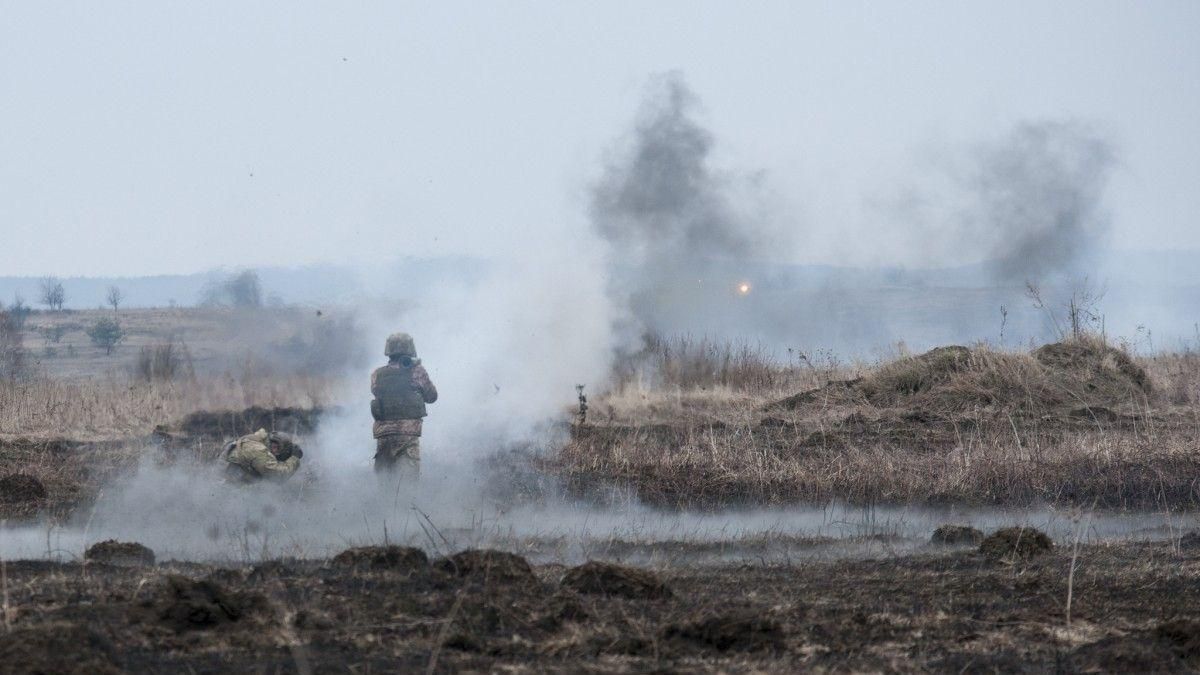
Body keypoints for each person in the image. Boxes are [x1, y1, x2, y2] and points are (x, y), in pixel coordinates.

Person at [371, 332, 438, 477]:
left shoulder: (377, 374)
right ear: (410, 348)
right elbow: (432, 397)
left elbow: (376, 392)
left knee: (384, 481)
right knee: (408, 484)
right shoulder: (417, 371)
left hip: (384, 434)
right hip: (407, 434)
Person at [222, 429, 303, 484]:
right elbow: (278, 476)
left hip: (227, 481)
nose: (275, 451)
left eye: (278, 448)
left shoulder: (254, 440)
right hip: (227, 486)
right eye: (275, 447)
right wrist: (294, 458)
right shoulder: (258, 450)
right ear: (270, 441)